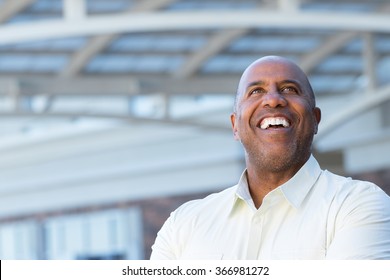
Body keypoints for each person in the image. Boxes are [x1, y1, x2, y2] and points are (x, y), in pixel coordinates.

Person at [150, 56, 390, 259]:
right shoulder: (183, 226)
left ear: (315, 119)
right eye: (256, 91)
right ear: (235, 126)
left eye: (289, 89)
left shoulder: (358, 206)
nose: (273, 99)